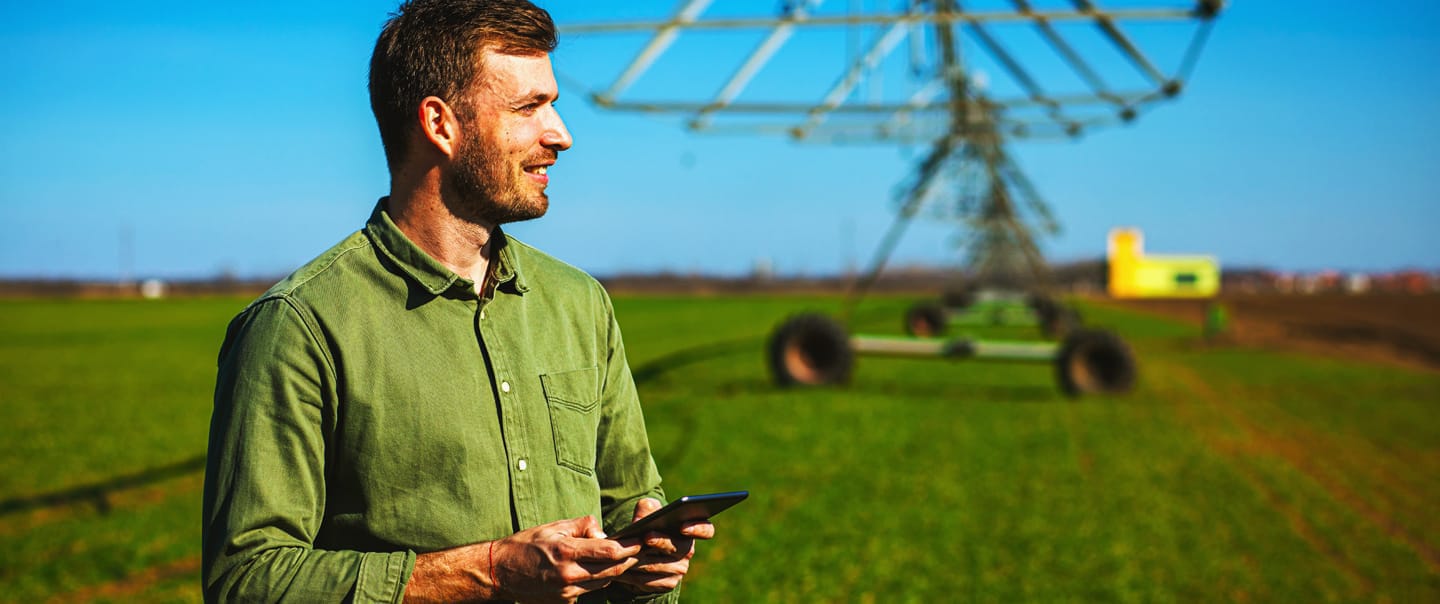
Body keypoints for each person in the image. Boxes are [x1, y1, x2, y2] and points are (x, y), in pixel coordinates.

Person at [202, 1, 712, 601]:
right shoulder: (298, 326)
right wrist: (491, 571)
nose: (561, 134)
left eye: (552, 104)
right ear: (439, 124)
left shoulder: (581, 304)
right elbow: (247, 580)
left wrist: (646, 565)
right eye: (528, 108)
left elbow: (628, 505)